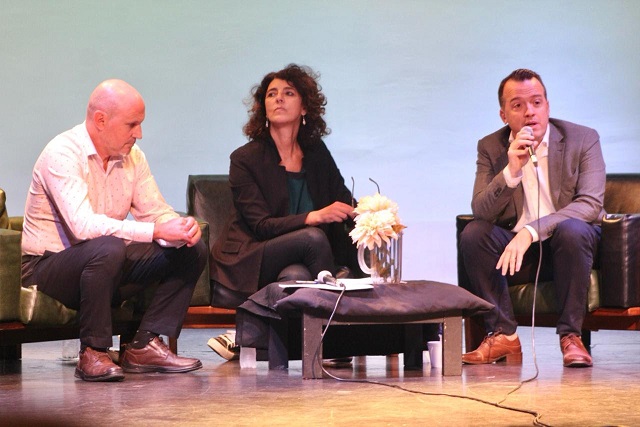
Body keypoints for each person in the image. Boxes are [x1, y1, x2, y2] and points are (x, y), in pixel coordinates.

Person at [21, 79, 208, 382]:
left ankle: (144, 344)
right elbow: (83, 227)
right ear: (101, 120)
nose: (139, 133)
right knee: (108, 246)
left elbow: (154, 210)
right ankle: (93, 352)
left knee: (191, 249)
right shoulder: (62, 153)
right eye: (132, 124)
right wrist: (155, 230)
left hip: (106, 264)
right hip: (49, 267)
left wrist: (180, 227)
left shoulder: (134, 157)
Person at [207, 64, 360, 361]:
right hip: (253, 254)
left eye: (288, 93)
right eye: (271, 94)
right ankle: (334, 340)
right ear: (263, 108)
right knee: (312, 238)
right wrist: (314, 216)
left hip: (302, 259)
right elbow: (261, 225)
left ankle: (253, 340)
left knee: (295, 276)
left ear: (304, 107)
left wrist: (375, 214)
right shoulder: (244, 159)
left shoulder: (316, 153)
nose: (278, 98)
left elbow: (343, 200)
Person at [460, 69, 605, 368]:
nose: (529, 112)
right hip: (519, 256)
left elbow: (590, 204)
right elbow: (482, 211)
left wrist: (530, 231)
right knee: (474, 233)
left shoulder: (583, 139)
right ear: (504, 115)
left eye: (537, 103)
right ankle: (504, 335)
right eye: (518, 105)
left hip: (570, 247)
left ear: (547, 107)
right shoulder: (490, 147)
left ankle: (571, 336)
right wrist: (511, 171)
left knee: (572, 230)